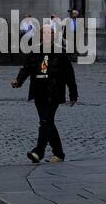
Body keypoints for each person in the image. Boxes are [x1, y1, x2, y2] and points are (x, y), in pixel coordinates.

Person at [12, 34, 78, 164]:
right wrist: (18, 81)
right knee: (47, 122)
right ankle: (58, 153)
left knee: (45, 120)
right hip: (39, 92)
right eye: (44, 34)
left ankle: (38, 151)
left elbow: (69, 74)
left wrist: (73, 93)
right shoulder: (35, 51)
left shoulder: (60, 53)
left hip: (54, 92)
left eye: (50, 34)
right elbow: (27, 68)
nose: (47, 37)